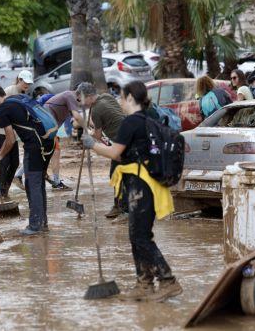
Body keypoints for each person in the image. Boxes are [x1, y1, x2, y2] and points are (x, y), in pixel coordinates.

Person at [82, 81, 182, 302]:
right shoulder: (147, 119)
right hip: (147, 183)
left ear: (129, 98)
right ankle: (144, 283)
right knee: (136, 235)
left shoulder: (131, 123)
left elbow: (115, 153)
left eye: (121, 97)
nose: (119, 102)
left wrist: (91, 144)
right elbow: (122, 155)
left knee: (140, 235)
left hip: (142, 184)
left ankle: (168, 281)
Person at [0, 83, 54, 235]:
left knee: (32, 184)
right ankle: (43, 223)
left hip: (35, 147)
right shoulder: (19, 98)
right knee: (38, 183)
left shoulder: (3, 109)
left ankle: (35, 226)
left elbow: (10, 139)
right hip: (48, 143)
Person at [40, 83, 94, 190]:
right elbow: (77, 117)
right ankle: (55, 182)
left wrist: (94, 127)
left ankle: (55, 181)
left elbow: (75, 121)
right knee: (49, 152)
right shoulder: (70, 96)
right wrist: (87, 129)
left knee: (51, 152)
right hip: (47, 125)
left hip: (50, 127)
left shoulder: (73, 101)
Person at [88, 87, 126, 218]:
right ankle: (122, 206)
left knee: (115, 174)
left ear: (88, 96)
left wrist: (90, 133)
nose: (80, 101)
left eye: (80, 98)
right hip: (128, 135)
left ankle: (121, 208)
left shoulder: (96, 110)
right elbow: (112, 114)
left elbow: (98, 136)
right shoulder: (106, 96)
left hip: (121, 142)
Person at [0, 86, 20, 200]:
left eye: (28, 83)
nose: (26, 85)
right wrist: (0, 155)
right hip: (0, 131)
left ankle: (5, 189)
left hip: (12, 133)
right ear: (19, 81)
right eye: (25, 82)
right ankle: (0, 193)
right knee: (5, 161)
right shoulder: (10, 90)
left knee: (15, 162)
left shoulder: (21, 95)